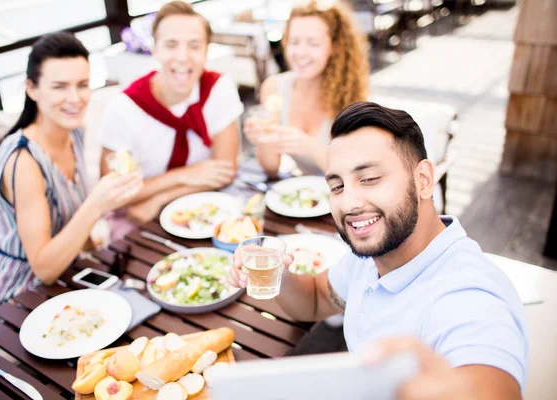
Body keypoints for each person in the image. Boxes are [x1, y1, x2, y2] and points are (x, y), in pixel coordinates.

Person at [229, 102, 528, 398]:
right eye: (337, 186)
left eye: (369, 179)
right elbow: (317, 298)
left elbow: (491, 383)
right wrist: (277, 272)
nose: (348, 203)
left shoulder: (468, 294)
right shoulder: (377, 252)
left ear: (423, 180)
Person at [0, 32, 143, 315]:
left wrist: (97, 247)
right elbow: (43, 269)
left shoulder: (75, 132)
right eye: (59, 87)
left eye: (82, 85)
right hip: (18, 297)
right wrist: (97, 204)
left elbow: (69, 220)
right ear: (32, 89)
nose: (75, 98)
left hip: (66, 279)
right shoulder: (23, 161)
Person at [99, 1, 244, 240]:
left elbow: (225, 171)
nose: (183, 57)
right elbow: (113, 194)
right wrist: (185, 174)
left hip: (203, 212)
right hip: (139, 220)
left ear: (207, 50)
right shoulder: (123, 110)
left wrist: (159, 198)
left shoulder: (219, 88)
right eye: (171, 45)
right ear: (154, 48)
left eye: (195, 46)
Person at [244, 0, 369, 177]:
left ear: (334, 47)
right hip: (304, 194)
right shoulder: (273, 88)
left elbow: (358, 176)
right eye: (294, 42)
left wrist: (311, 147)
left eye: (313, 43)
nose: (300, 53)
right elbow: (271, 169)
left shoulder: (352, 99)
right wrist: (263, 140)